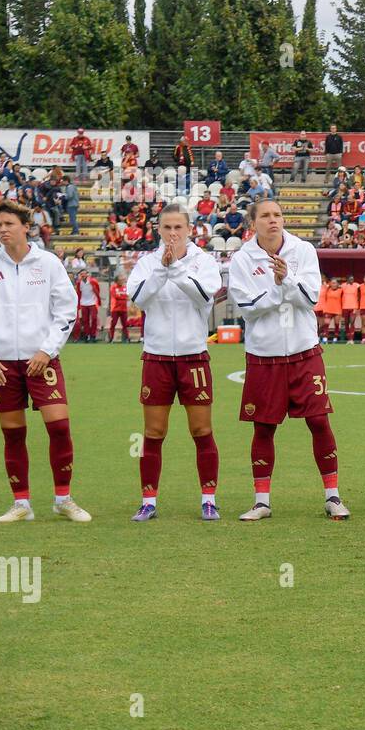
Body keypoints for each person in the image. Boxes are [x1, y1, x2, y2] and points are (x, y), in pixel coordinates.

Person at [0, 200, 91, 522]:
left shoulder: (47, 264)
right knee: (13, 434)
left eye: (8, 224)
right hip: (2, 365)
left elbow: (66, 309)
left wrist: (47, 350)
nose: (2, 230)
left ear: (25, 227)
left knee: (59, 427)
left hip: (42, 361)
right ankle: (21, 504)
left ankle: (63, 498)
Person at [228, 199, 349, 520]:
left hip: (303, 351)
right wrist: (281, 287)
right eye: (265, 216)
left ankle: (333, 496)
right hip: (263, 356)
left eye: (277, 215)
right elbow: (248, 307)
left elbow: (311, 298)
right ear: (253, 223)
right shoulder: (242, 259)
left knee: (319, 421)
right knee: (263, 427)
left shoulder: (303, 250)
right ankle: (262, 502)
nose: (273, 220)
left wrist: (288, 281)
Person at [126, 202, 224, 521]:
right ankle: (148, 501)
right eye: (166, 227)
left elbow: (203, 297)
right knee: (152, 432)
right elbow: (139, 298)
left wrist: (176, 270)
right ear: (158, 229)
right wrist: (162, 269)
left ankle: (208, 498)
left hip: (193, 356)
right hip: (155, 357)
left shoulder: (203, 261)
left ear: (189, 229)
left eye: (178, 227)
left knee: (201, 429)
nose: (172, 233)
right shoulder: (146, 263)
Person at [75, 268, 101, 342]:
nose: (83, 275)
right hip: (83, 303)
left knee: (94, 319)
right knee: (85, 320)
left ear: (87, 274)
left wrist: (98, 301)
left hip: (92, 302)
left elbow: (97, 290)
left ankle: (93, 335)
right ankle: (87, 335)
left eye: (84, 273)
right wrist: (78, 304)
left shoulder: (93, 281)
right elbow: (78, 293)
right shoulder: (79, 283)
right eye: (81, 274)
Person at [108, 273, 131, 343]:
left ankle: (126, 338)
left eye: (122, 280)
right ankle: (111, 338)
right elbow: (115, 296)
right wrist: (123, 297)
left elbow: (127, 297)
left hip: (124, 309)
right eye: (121, 280)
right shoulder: (113, 287)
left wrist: (121, 296)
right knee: (113, 324)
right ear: (117, 280)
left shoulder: (124, 287)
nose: (122, 281)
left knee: (125, 325)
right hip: (115, 309)